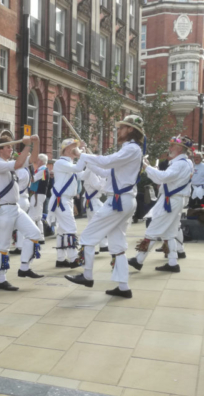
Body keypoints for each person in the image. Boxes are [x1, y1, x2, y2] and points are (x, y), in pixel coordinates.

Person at [66, 114, 145, 298]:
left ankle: (87, 275)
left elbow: (107, 161)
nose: (119, 130)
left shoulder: (131, 149)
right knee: (117, 244)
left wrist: (83, 155)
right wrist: (87, 158)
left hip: (118, 200)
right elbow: (104, 170)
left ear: (131, 130)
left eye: (122, 127)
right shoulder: (129, 150)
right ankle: (123, 287)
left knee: (88, 235)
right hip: (121, 200)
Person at [129, 136, 194, 273]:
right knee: (169, 233)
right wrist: (150, 168)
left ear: (180, 148)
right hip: (174, 200)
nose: (169, 148)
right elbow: (162, 177)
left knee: (153, 229)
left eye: (172, 146)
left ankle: (139, 259)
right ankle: (172, 262)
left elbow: (163, 177)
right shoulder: (185, 162)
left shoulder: (180, 163)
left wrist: (146, 166)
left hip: (170, 201)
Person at [0, 135, 44, 291]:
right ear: (0, 149)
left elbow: (32, 159)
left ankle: (24, 267)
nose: (11, 149)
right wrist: (26, 145)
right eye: (8, 147)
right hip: (3, 209)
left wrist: (35, 142)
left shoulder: (7, 164)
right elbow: (20, 163)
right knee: (3, 245)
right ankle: (1, 279)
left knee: (34, 233)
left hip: (15, 208)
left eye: (11, 147)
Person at [49, 138, 88, 268]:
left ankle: (60, 259)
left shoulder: (69, 165)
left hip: (67, 200)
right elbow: (78, 168)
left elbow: (82, 175)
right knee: (71, 228)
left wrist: (92, 162)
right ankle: (74, 258)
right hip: (61, 200)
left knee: (62, 230)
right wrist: (83, 155)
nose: (75, 148)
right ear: (65, 149)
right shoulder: (61, 162)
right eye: (73, 146)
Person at [80, 164, 108, 253]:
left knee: (99, 222)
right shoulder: (91, 172)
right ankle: (90, 245)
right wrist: (104, 178)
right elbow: (98, 186)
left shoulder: (94, 172)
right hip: (92, 201)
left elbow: (102, 188)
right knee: (95, 224)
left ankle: (103, 244)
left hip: (95, 200)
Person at [29, 154, 50, 240]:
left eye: (37, 160)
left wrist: (29, 170)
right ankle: (40, 236)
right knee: (37, 216)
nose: (36, 162)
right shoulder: (42, 170)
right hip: (39, 194)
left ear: (41, 161)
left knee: (34, 216)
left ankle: (37, 236)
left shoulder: (42, 170)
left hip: (38, 194)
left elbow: (33, 179)